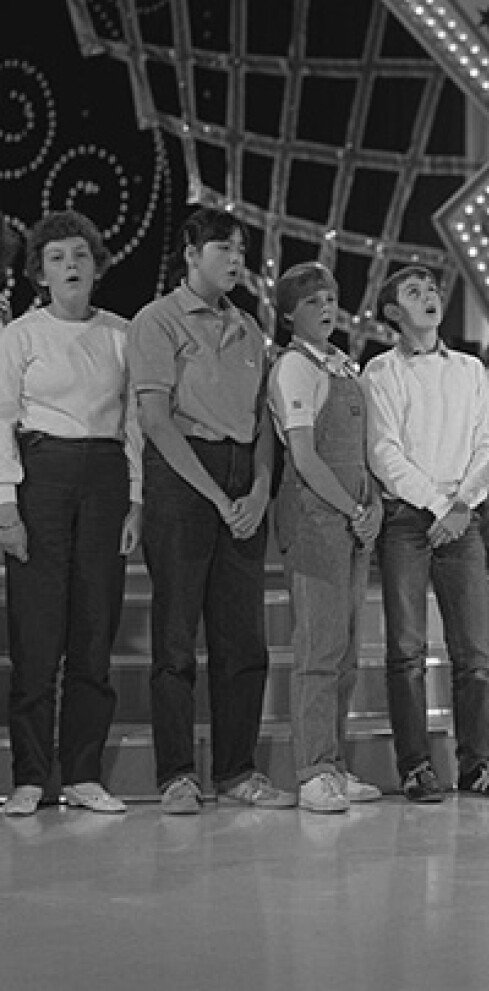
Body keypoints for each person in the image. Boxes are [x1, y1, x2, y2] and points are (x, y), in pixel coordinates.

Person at [129, 207, 293, 815]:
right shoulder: (158, 321)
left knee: (244, 639)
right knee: (176, 637)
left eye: (242, 250)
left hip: (240, 480)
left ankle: (237, 770)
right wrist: (219, 497)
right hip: (182, 478)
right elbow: (154, 419)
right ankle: (176, 774)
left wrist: (256, 490)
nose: (235, 259)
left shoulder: (250, 330)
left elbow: (262, 425)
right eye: (223, 248)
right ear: (191, 253)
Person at [0, 211, 141, 816]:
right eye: (57, 257)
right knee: (36, 631)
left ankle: (83, 773)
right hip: (42, 478)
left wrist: (137, 499)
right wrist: (6, 506)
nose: (72, 266)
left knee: (93, 626)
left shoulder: (123, 333)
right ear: (40, 272)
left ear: (97, 263)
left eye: (80, 254)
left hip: (107, 480)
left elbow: (134, 421)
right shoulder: (20, 336)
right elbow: (1, 421)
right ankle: (31, 776)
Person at [363, 265, 489, 803]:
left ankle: (478, 764)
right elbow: (384, 453)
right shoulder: (380, 372)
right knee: (406, 649)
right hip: (407, 520)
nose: (429, 297)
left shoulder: (471, 369)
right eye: (413, 292)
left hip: (462, 516)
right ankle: (415, 767)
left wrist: (460, 507)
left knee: (473, 651)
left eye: (432, 289)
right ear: (391, 312)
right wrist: (437, 506)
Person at [268, 263, 384, 813]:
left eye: (332, 298)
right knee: (317, 651)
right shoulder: (294, 368)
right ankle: (312, 770)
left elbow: (363, 454)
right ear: (290, 312)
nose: (326, 307)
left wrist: (373, 508)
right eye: (313, 301)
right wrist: (353, 508)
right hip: (315, 521)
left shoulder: (343, 367)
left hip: (353, 522)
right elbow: (305, 457)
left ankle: (335, 763)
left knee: (345, 654)